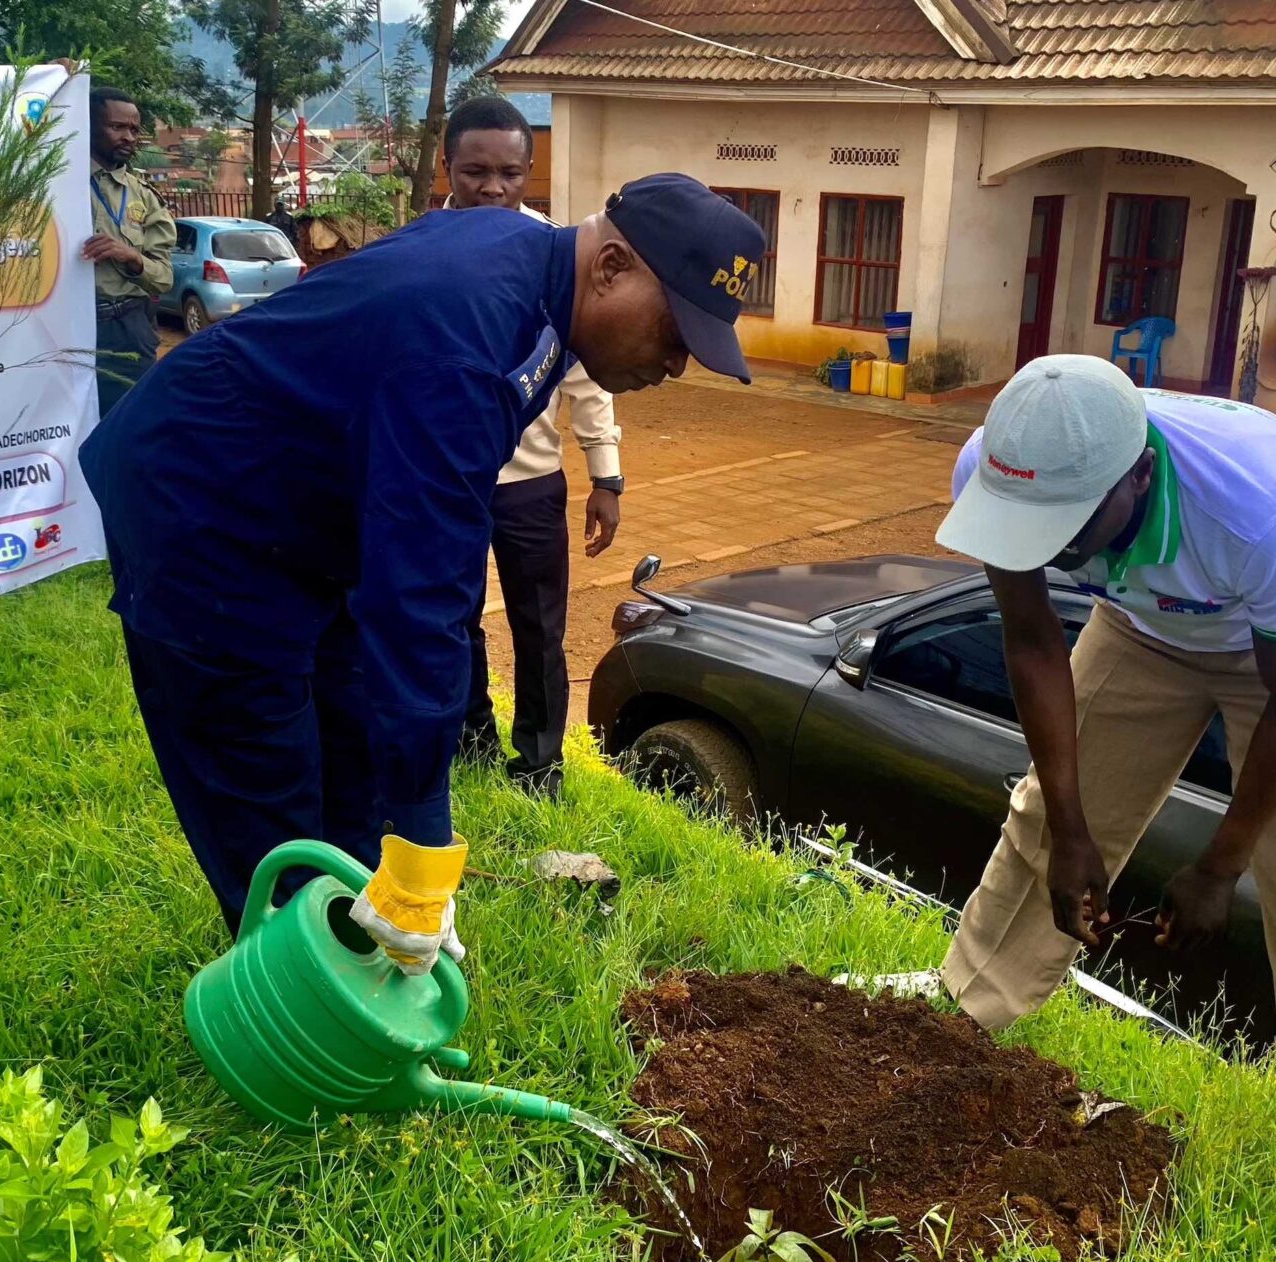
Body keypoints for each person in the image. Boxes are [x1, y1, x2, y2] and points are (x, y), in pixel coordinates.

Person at [80, 174, 764, 971]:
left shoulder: (530, 272)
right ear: (612, 267)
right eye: (676, 332)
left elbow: (414, 582)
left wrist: (410, 850)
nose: (678, 365)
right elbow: (422, 601)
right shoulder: (464, 339)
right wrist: (427, 848)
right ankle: (296, 1006)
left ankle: (353, 930)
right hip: (204, 503)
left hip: (311, 506)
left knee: (358, 735)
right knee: (260, 767)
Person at [886, 357, 1276, 1262]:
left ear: (1133, 478)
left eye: (1061, 530)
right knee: (1042, 822)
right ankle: (963, 1002)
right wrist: (1075, 824)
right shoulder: (1003, 468)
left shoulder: (1253, 504)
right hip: (1142, 628)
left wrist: (1220, 864)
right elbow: (1030, 643)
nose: (1037, 546)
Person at [442, 95, 623, 795]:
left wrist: (606, 476)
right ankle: (469, 739)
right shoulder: (419, 253)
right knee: (449, 617)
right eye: (475, 171)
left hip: (530, 482)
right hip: (445, 480)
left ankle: (541, 762)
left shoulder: (557, 258)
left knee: (541, 628)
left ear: (530, 170)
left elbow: (588, 374)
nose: (493, 187)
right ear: (447, 168)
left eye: (510, 174)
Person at [84, 86, 175, 417]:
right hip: (67, 326)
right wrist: (56, 83)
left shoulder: (144, 197)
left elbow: (163, 277)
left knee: (131, 425)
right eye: (116, 127)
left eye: (134, 129)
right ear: (90, 124)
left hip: (127, 329)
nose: (128, 137)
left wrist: (132, 257)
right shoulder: (59, 180)